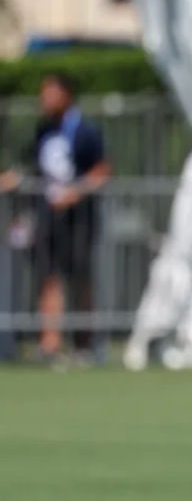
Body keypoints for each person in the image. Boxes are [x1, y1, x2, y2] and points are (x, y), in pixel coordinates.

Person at [1, 73, 111, 362]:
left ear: (66, 94)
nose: (44, 100)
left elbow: (102, 170)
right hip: (48, 216)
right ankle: (50, 343)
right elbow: (32, 168)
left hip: (79, 217)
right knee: (48, 276)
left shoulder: (86, 131)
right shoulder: (44, 130)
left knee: (80, 278)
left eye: (50, 93)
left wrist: (76, 192)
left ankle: (85, 344)